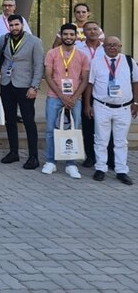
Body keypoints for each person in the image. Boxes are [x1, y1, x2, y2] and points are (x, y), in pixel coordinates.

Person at [0, 14, 44, 169]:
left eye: (16, 25)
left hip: (25, 86)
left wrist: (34, 86)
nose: (14, 28)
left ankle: (33, 156)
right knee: (10, 119)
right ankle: (13, 152)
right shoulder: (5, 38)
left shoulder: (34, 41)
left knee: (28, 121)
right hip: (7, 84)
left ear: (22, 25)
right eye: (11, 25)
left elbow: (38, 66)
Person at [84, 36, 138, 185]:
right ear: (103, 47)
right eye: (109, 45)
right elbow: (90, 84)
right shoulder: (96, 62)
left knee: (121, 141)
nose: (112, 47)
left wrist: (136, 102)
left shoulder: (129, 61)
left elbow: (135, 82)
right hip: (102, 106)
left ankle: (121, 171)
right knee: (101, 139)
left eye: (115, 45)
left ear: (120, 46)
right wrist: (87, 105)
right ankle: (101, 168)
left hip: (124, 107)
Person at [42, 23, 90, 179]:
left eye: (71, 34)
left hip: (75, 98)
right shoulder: (52, 53)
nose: (68, 37)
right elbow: (48, 76)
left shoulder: (82, 55)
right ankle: (50, 161)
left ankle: (71, 164)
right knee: (50, 130)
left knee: (74, 130)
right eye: (65, 34)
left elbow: (85, 79)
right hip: (54, 97)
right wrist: (62, 96)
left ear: (76, 36)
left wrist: (74, 97)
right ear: (60, 36)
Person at [79, 21, 111, 169]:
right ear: (83, 32)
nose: (92, 32)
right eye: (88, 29)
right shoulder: (78, 48)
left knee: (106, 126)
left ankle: (110, 158)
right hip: (86, 90)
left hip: (104, 91)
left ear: (99, 31)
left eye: (95, 29)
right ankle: (90, 156)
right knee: (88, 126)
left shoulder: (107, 49)